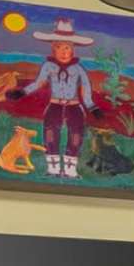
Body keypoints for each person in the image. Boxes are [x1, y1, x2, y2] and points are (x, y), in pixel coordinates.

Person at [36, 30, 98, 180]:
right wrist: (22, 92)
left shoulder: (78, 69)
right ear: (53, 48)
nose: (63, 52)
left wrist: (91, 107)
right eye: (59, 47)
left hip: (74, 107)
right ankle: (53, 169)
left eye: (67, 48)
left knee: (76, 136)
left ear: (73, 49)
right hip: (55, 106)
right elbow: (38, 82)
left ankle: (70, 171)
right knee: (50, 135)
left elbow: (86, 88)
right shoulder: (48, 66)